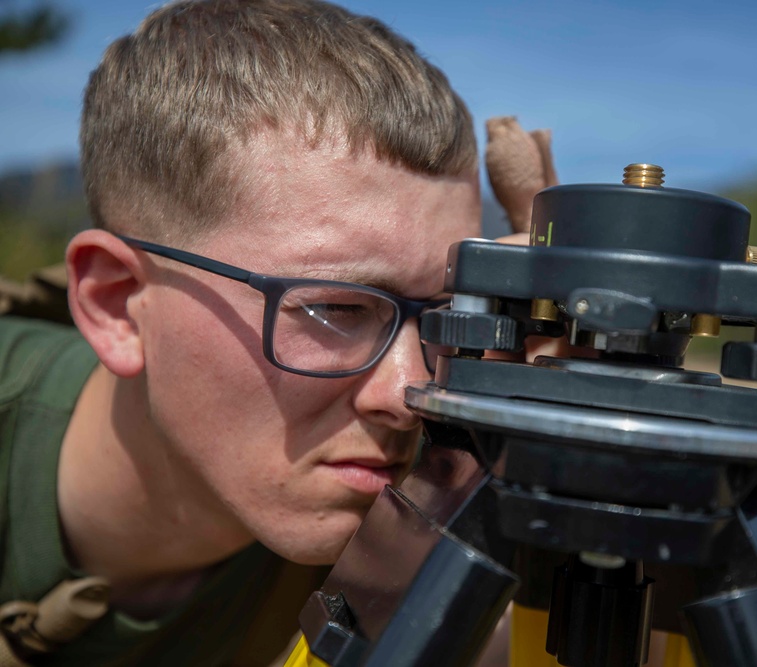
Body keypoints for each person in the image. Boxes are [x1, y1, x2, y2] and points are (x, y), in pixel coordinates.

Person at [0, 0, 482, 664]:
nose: (410, 391)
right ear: (117, 303)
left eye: (446, 314)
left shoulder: (405, 519)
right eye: (335, 309)